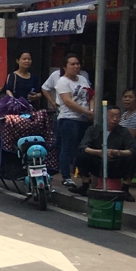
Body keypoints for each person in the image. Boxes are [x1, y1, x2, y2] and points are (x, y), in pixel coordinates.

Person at [52, 55, 93, 189]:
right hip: (68, 119)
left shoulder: (83, 79)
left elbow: (91, 95)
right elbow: (68, 101)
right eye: (72, 64)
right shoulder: (62, 82)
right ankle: (66, 176)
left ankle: (83, 175)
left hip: (83, 119)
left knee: (82, 148)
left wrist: (91, 110)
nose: (76, 66)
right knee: (67, 147)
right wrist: (86, 112)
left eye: (78, 64)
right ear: (65, 67)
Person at [74, 107, 136, 196]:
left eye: (118, 117)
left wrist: (117, 152)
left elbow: (133, 149)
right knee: (82, 154)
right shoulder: (94, 129)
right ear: (104, 116)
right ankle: (85, 186)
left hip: (115, 164)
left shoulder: (124, 131)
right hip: (97, 162)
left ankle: (125, 189)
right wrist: (98, 152)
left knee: (132, 157)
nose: (115, 119)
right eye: (112, 116)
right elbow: (83, 146)